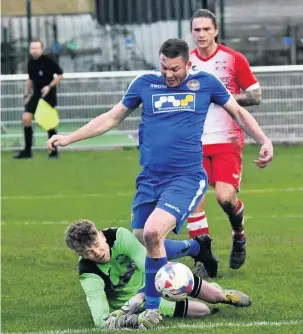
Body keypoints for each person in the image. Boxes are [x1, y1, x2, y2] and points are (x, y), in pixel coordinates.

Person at [48, 38, 272, 328]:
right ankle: (196, 248)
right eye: (164, 67)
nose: (169, 75)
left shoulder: (206, 83)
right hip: (150, 179)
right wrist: (68, 138)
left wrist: (264, 140)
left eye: (175, 69)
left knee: (153, 233)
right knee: (142, 237)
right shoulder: (144, 83)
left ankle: (152, 309)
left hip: (186, 177)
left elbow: (239, 112)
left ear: (188, 64)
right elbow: (112, 117)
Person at [65, 220, 252, 329]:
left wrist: (141, 295)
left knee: (215, 296)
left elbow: (150, 267)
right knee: (203, 311)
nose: (97, 253)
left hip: (154, 281)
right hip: (132, 304)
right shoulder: (88, 273)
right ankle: (205, 295)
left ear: (101, 235)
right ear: (80, 254)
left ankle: (221, 293)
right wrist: (134, 318)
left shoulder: (119, 236)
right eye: (88, 252)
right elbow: (100, 320)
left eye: (97, 244)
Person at [187, 9, 264, 275]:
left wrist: (222, 96)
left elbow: (255, 96)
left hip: (226, 140)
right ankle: (202, 258)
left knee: (225, 197)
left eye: (206, 29)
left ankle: (239, 233)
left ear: (215, 30)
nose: (201, 35)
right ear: (191, 32)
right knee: (193, 201)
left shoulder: (233, 59)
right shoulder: (185, 63)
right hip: (193, 143)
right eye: (197, 30)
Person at [14, 39, 63, 160]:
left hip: (47, 96)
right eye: (32, 48)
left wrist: (49, 86)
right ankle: (27, 151)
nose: (34, 51)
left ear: (41, 49)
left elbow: (60, 75)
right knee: (26, 118)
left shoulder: (48, 61)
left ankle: (54, 152)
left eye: (37, 48)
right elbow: (30, 80)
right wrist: (26, 94)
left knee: (49, 123)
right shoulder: (31, 63)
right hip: (35, 95)